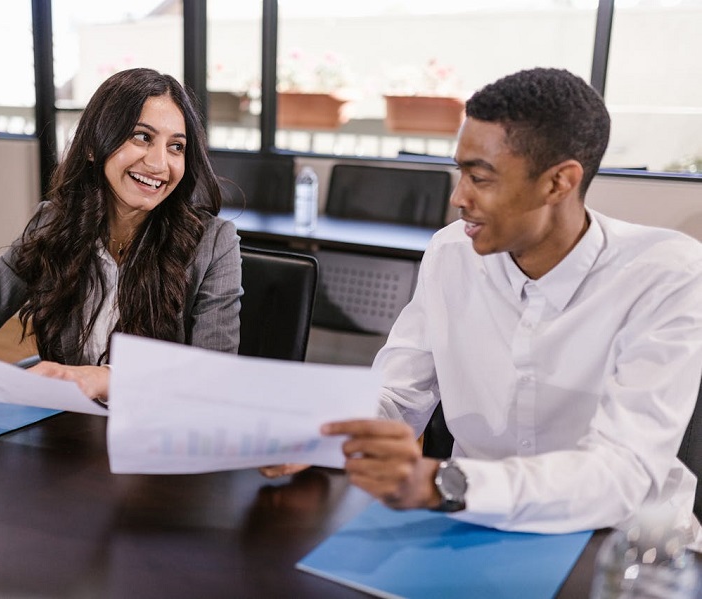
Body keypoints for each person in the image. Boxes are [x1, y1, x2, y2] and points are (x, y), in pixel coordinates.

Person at [266, 67, 702, 545]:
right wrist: (318, 431)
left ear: (558, 183)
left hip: (622, 541)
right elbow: (396, 397)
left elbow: (622, 472)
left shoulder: (666, 272)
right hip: (474, 525)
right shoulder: (450, 252)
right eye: (460, 172)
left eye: (480, 177)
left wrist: (445, 484)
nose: (458, 197)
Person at [0, 68, 242, 420]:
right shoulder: (52, 223)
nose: (160, 163)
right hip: (64, 440)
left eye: (176, 146)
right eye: (142, 137)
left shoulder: (214, 243)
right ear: (95, 147)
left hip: (156, 443)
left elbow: (212, 378)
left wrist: (103, 379)